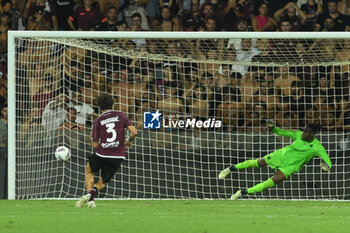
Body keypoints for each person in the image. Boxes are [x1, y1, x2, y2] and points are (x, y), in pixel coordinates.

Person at [218, 120, 332, 200]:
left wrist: (327, 166)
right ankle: (230, 169)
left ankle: (241, 192)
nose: (303, 133)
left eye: (305, 132)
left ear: (311, 134)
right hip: (280, 156)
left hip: (290, 167)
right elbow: (280, 132)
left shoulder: (317, 147)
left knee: (268, 184)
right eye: (303, 131)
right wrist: (273, 127)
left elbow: (327, 160)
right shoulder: (297, 135)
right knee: (257, 163)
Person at [75, 93, 138, 208]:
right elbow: (134, 132)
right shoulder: (121, 115)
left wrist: (93, 140)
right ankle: (91, 196)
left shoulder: (98, 121)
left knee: (89, 170)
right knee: (103, 180)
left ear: (99, 106)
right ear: (113, 104)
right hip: (118, 155)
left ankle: (90, 199)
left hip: (102, 153)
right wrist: (129, 141)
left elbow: (94, 145)